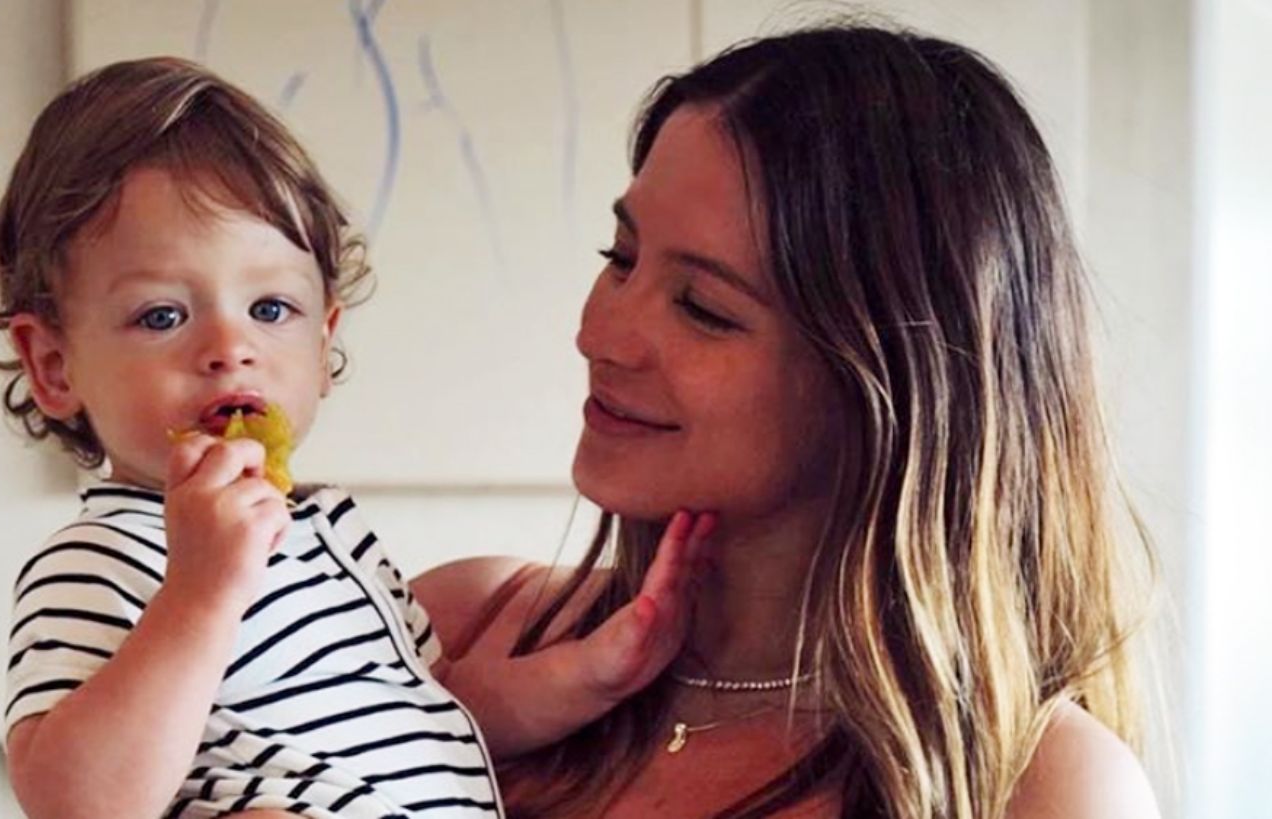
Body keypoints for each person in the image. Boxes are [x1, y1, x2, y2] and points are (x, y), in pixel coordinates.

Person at [415, 24, 1163, 818]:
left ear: (888, 381)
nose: (600, 335)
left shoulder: (1038, 783)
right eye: (620, 258)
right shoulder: (458, 632)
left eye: (703, 308)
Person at [0, 57, 711, 819]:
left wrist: (591, 675)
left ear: (324, 343)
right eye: (162, 316)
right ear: (53, 365)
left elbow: (433, 715)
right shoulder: (100, 557)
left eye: (270, 309)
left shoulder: (330, 535)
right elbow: (78, 801)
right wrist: (199, 593)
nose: (230, 347)